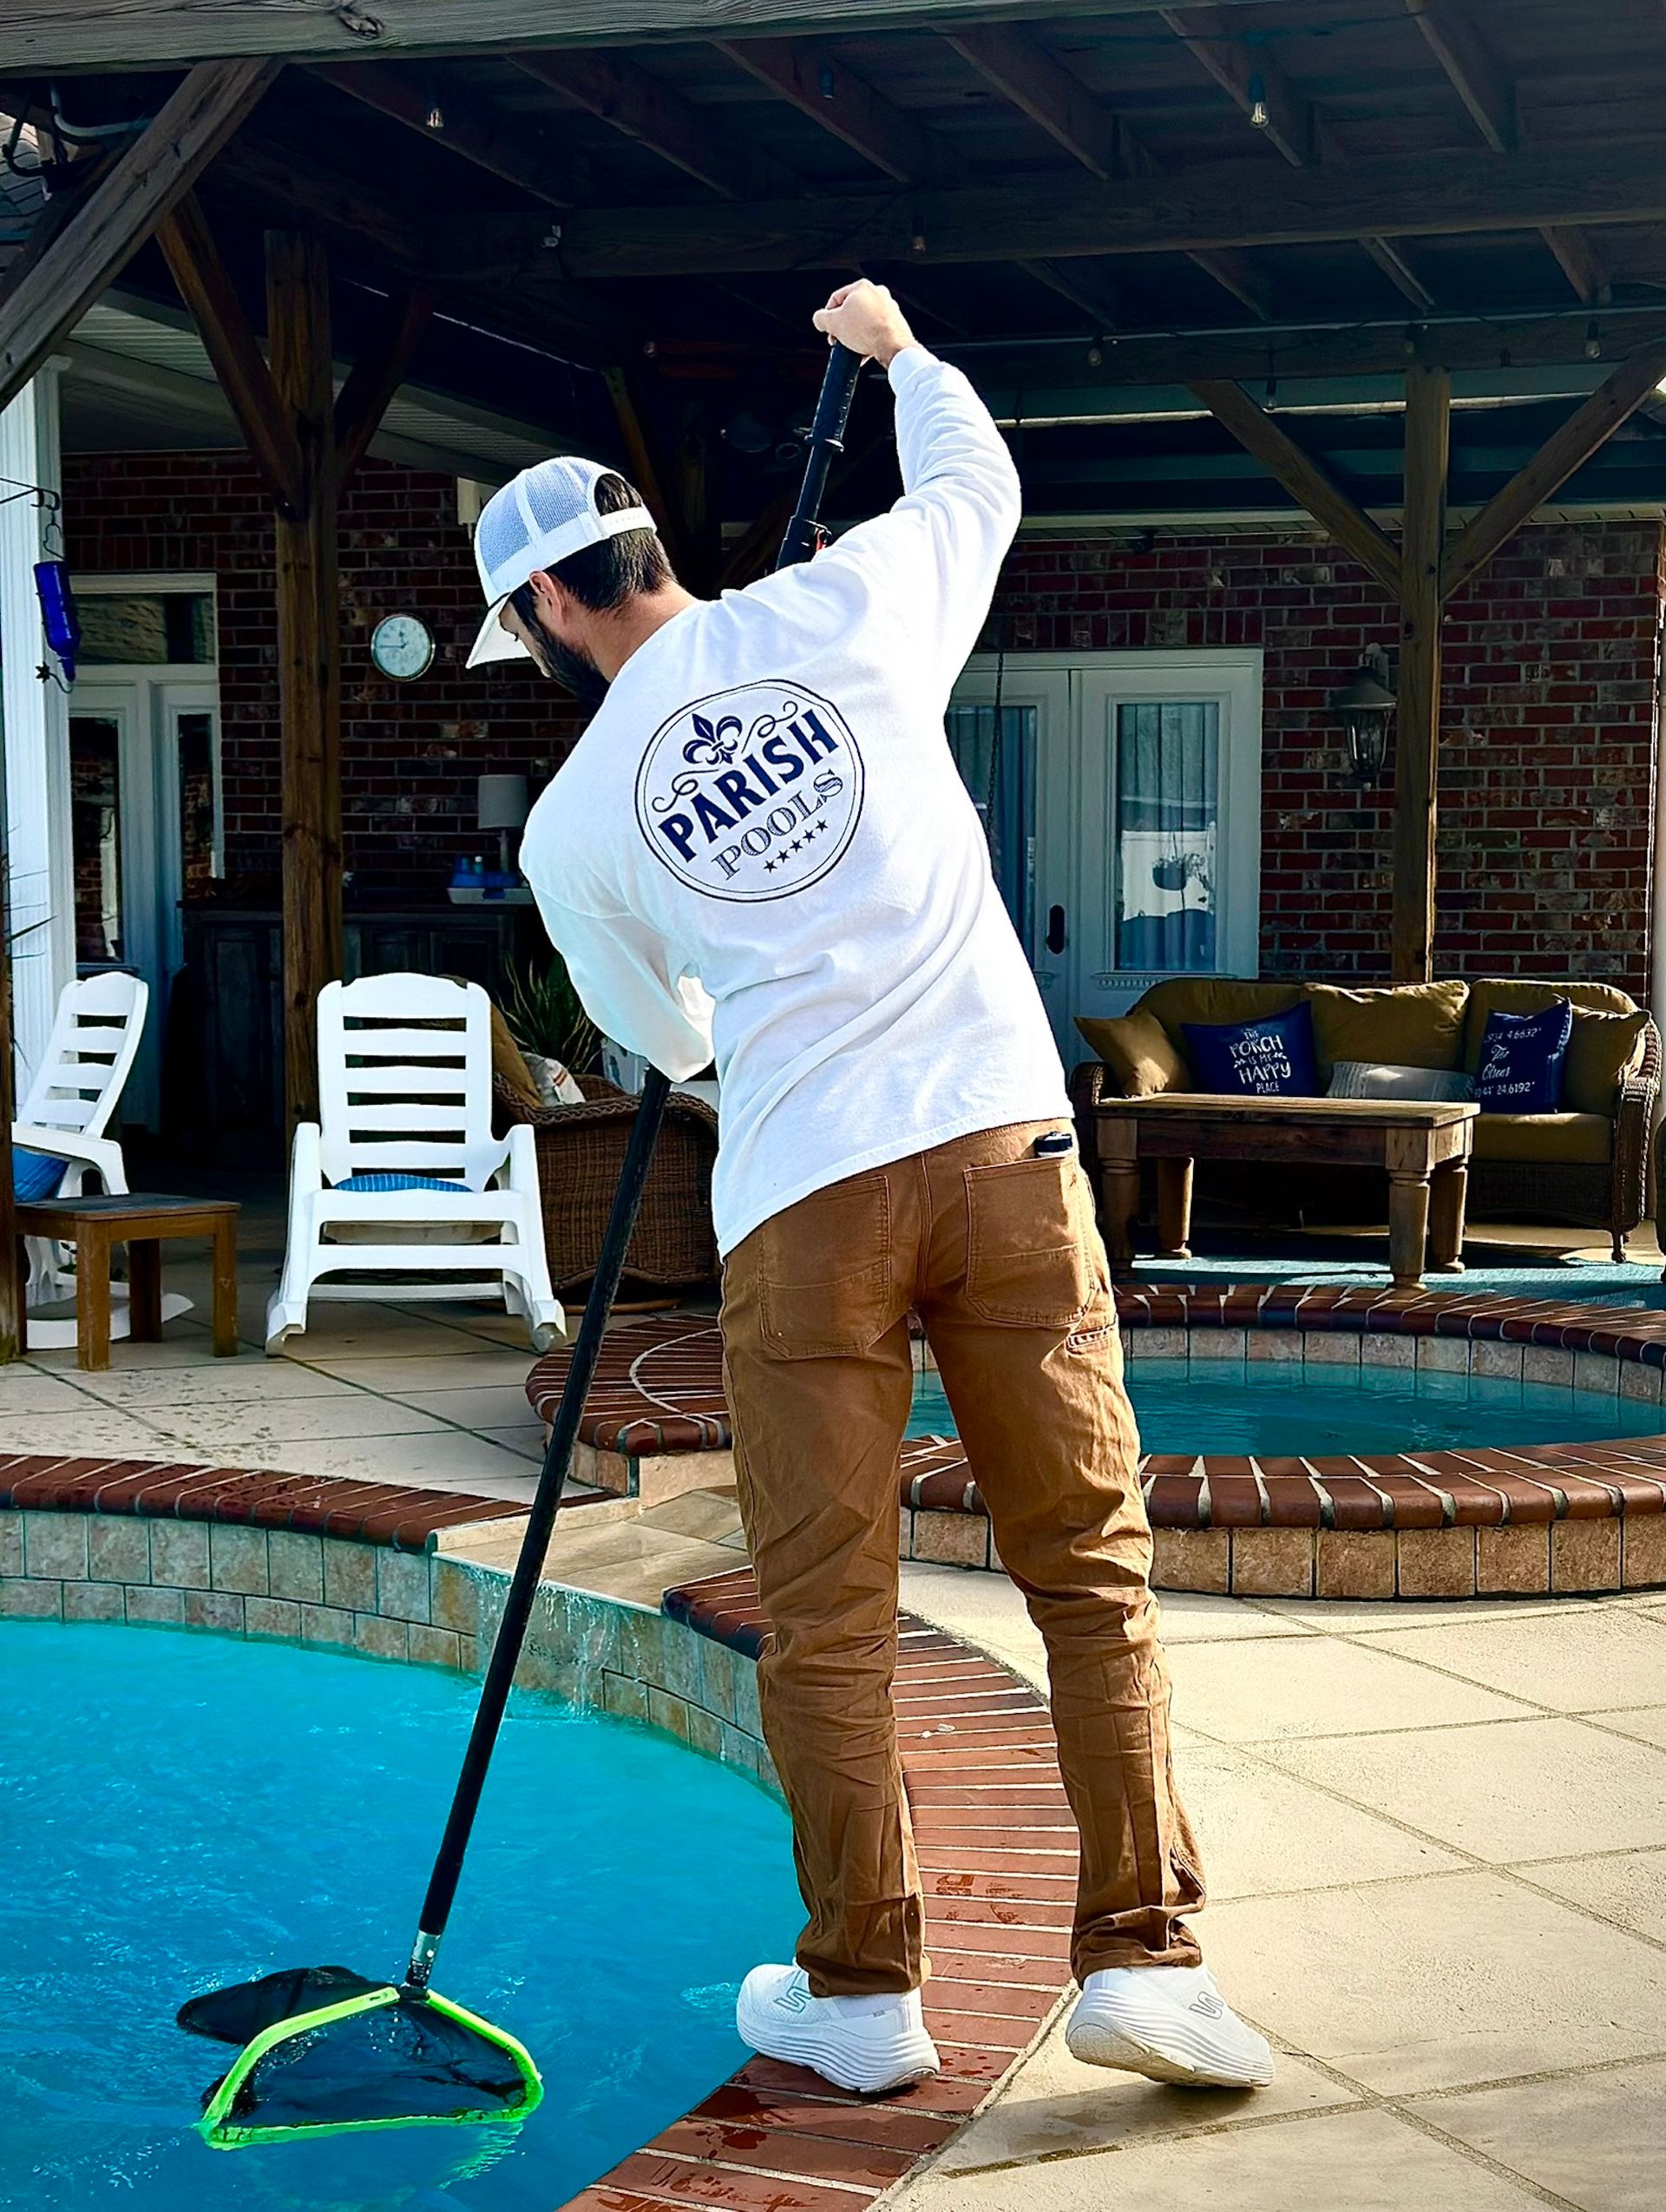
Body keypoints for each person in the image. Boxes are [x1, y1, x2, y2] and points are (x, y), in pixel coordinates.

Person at [467, 279, 1274, 2098]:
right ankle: (1145, 1959)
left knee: (826, 1613)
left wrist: (758, 968)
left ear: (542, 609)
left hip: (801, 1200)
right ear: (648, 547)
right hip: (1000, 1151)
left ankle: (863, 2002)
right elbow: (979, 483)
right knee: (1089, 1569)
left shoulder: (575, 823)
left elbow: (662, 1042)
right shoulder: (846, 606)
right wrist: (902, 355)